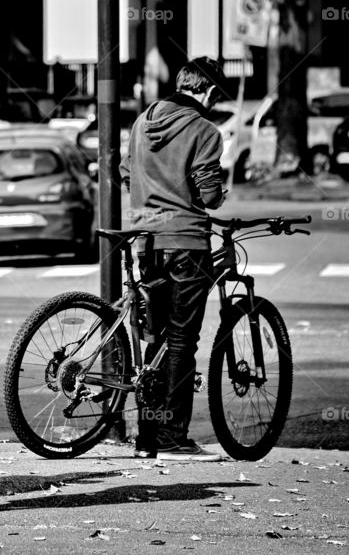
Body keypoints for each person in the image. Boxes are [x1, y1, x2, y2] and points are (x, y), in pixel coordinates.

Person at [119, 56, 228, 462]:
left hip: (147, 240)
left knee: (156, 337)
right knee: (182, 338)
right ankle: (172, 439)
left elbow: (125, 171)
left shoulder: (142, 121)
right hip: (185, 241)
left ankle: (147, 436)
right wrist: (215, 196)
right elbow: (209, 193)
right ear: (210, 91)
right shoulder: (204, 130)